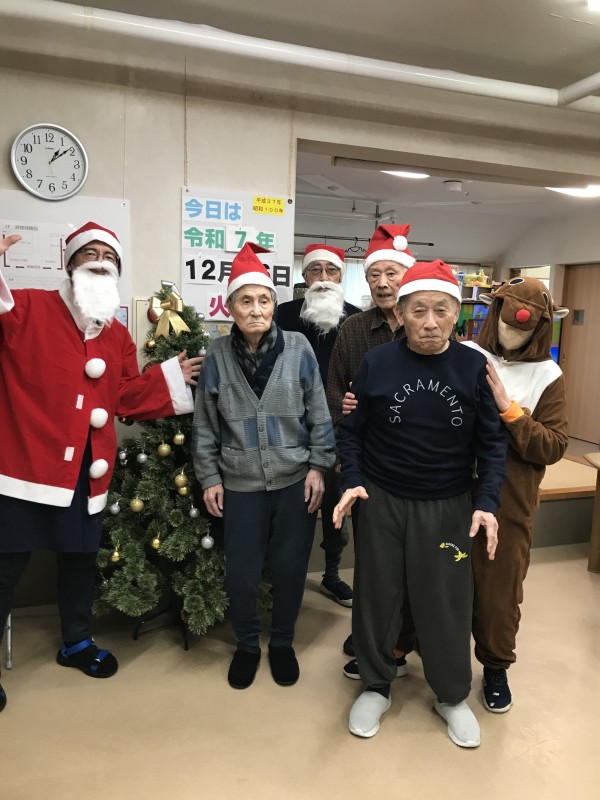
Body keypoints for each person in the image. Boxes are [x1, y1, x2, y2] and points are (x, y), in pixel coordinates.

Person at [0, 222, 202, 713]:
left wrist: (171, 377)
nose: (99, 261)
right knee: (4, 570)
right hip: (23, 466)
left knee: (78, 562)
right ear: (69, 264)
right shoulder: (25, 307)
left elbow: (124, 396)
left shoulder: (115, 335)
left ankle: (75, 642)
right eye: (88, 253)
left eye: (108, 256)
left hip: (86, 471)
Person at [332, 260, 507, 748]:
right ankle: (376, 684)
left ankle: (451, 695)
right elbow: (352, 431)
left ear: (456, 314)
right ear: (402, 313)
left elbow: (492, 443)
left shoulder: (473, 367)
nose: (430, 322)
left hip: (448, 505)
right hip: (382, 501)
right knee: (377, 595)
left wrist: (487, 501)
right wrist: (353, 479)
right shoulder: (377, 363)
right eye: (419, 311)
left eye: (441, 310)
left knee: (446, 601)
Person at [191, 242, 335, 690]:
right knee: (242, 573)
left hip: (295, 481)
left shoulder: (299, 348)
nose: (256, 310)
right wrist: (209, 477)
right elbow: (205, 423)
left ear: (274, 303)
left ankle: (283, 642)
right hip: (240, 484)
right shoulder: (216, 354)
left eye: (264, 300)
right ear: (230, 307)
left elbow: (319, 412)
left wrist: (318, 467)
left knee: (291, 568)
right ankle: (248, 644)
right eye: (246, 301)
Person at [464, 277, 569, 712]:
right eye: (507, 323)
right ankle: (406, 642)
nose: (512, 333)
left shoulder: (549, 376)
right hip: (450, 488)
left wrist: (511, 412)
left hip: (510, 498)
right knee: (434, 569)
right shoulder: (466, 355)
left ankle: (495, 664)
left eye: (523, 328)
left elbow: (554, 445)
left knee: (499, 588)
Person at [325, 224, 416, 664]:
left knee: (414, 559)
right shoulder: (354, 329)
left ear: (407, 276)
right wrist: (344, 453)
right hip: (368, 465)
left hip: (416, 464)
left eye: (391, 274)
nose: (382, 283)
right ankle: (367, 634)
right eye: (374, 275)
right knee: (372, 559)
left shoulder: (425, 325)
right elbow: (333, 393)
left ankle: (405, 635)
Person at [277, 243, 360, 607]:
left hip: (342, 430)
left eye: (332, 270)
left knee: (336, 508)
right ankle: (283, 579)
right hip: (291, 431)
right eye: (316, 270)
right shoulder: (282, 315)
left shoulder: (356, 320)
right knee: (293, 510)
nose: (324, 277)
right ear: (304, 275)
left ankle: (331, 574)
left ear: (341, 276)